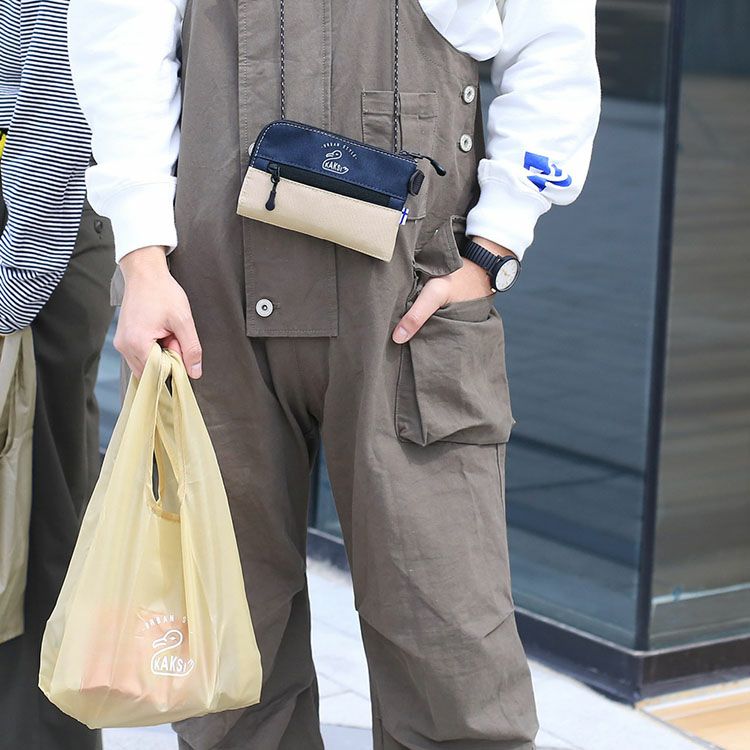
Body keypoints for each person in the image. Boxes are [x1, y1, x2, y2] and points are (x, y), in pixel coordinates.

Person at [68, 0, 601, 747]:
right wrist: (143, 260)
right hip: (208, 293)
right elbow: (121, 38)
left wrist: (496, 246)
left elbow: (552, 44)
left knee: (452, 652)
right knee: (229, 668)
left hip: (410, 295)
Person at [0, 1, 115, 749]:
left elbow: (54, 98)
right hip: (30, 229)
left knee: (35, 526)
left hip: (33, 226)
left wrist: (12, 290)